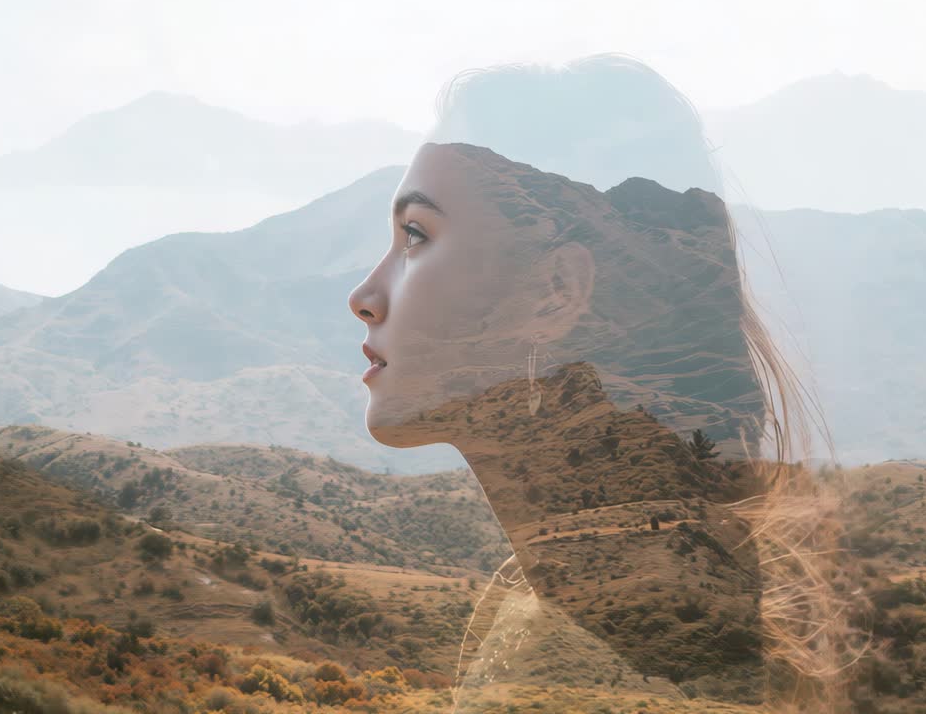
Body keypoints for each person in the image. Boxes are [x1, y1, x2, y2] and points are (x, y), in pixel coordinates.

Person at [349, 55, 854, 712]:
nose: (364, 296)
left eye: (416, 235)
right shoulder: (638, 588)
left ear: (558, 292)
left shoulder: (577, 652)